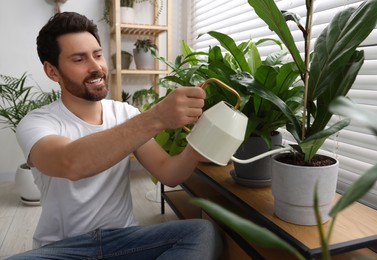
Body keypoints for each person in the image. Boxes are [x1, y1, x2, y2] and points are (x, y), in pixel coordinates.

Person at [10, 12, 221, 260]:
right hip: (64, 248)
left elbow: (169, 173)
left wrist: (200, 144)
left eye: (98, 55)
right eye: (79, 59)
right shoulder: (36, 122)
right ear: (52, 71)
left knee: (201, 232)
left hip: (124, 240)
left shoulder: (125, 114)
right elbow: (71, 163)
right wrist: (156, 117)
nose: (96, 67)